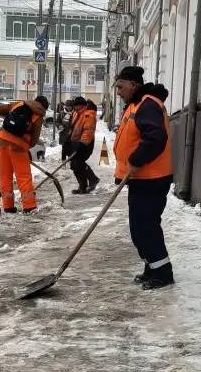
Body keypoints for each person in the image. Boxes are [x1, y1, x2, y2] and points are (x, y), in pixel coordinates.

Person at [113, 65, 174, 289]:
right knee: (139, 228)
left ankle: (163, 274)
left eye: (120, 86)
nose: (118, 91)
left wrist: (136, 160)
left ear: (133, 84)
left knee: (146, 227)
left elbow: (156, 138)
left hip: (152, 178)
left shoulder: (147, 104)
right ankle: (153, 267)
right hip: (140, 178)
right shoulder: (135, 105)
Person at [0, 94, 47, 214]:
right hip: (18, 147)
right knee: (24, 177)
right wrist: (25, 147)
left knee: (5, 176)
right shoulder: (38, 116)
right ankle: (29, 207)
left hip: (2, 142)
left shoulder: (19, 104)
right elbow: (34, 139)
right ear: (44, 107)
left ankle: (8, 206)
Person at [69, 96, 99, 194]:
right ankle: (82, 186)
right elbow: (73, 127)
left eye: (77, 106)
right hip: (75, 142)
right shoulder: (75, 113)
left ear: (82, 106)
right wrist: (67, 141)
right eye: (75, 106)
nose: (75, 108)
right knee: (74, 165)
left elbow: (88, 131)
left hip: (85, 143)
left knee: (79, 163)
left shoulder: (88, 114)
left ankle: (93, 179)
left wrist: (82, 144)